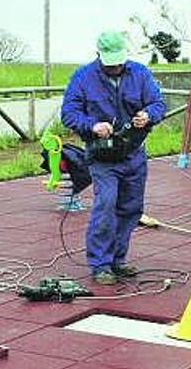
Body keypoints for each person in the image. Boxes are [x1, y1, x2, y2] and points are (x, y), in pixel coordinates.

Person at [61, 31, 166, 285]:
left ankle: (118, 260)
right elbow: (69, 114)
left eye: (119, 61)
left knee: (131, 208)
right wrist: (92, 125)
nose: (116, 66)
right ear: (98, 55)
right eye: (110, 62)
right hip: (102, 156)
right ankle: (100, 264)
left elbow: (158, 104)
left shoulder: (140, 73)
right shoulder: (82, 77)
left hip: (134, 153)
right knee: (106, 204)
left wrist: (148, 115)